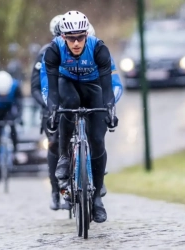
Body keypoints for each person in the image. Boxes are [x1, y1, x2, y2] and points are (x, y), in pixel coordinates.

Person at [43, 11, 118, 223]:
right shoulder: (54, 50)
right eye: (71, 38)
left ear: (87, 34)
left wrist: (110, 109)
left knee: (97, 139)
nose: (76, 43)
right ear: (63, 37)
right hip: (66, 85)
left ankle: (96, 200)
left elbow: (107, 88)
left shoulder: (99, 49)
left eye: (80, 37)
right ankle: (65, 157)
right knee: (68, 104)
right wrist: (52, 111)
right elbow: (53, 90)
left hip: (93, 86)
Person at [31, 14, 63, 210]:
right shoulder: (45, 53)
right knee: (54, 145)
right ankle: (55, 189)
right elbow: (35, 87)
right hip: (50, 106)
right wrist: (47, 104)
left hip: (72, 101)